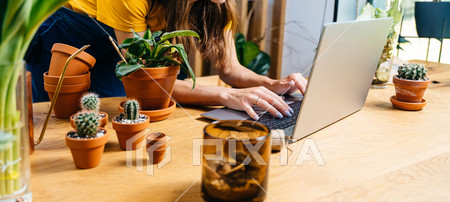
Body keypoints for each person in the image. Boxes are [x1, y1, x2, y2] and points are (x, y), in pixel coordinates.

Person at [26, 0, 307, 120]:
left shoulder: (217, 3)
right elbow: (145, 82)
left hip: (124, 40)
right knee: (67, 123)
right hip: (70, 33)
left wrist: (273, 84)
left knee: (129, 120)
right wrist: (225, 95)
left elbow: (231, 68)